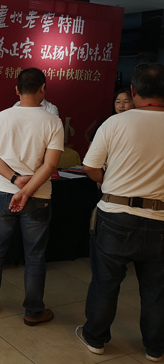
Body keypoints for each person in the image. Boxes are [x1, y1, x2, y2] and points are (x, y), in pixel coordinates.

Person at [76, 63, 164, 361]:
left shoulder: (115, 123)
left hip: (115, 213)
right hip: (160, 219)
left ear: (134, 91)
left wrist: (108, 181)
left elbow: (90, 166)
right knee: (156, 289)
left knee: (106, 281)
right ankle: (155, 348)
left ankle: (96, 339)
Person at [0, 67, 64, 326]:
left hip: (4, 192)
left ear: (16, 89)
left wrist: (16, 181)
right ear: (43, 89)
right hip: (39, 196)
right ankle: (33, 311)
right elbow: (50, 165)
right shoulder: (53, 121)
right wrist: (26, 190)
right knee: (35, 256)